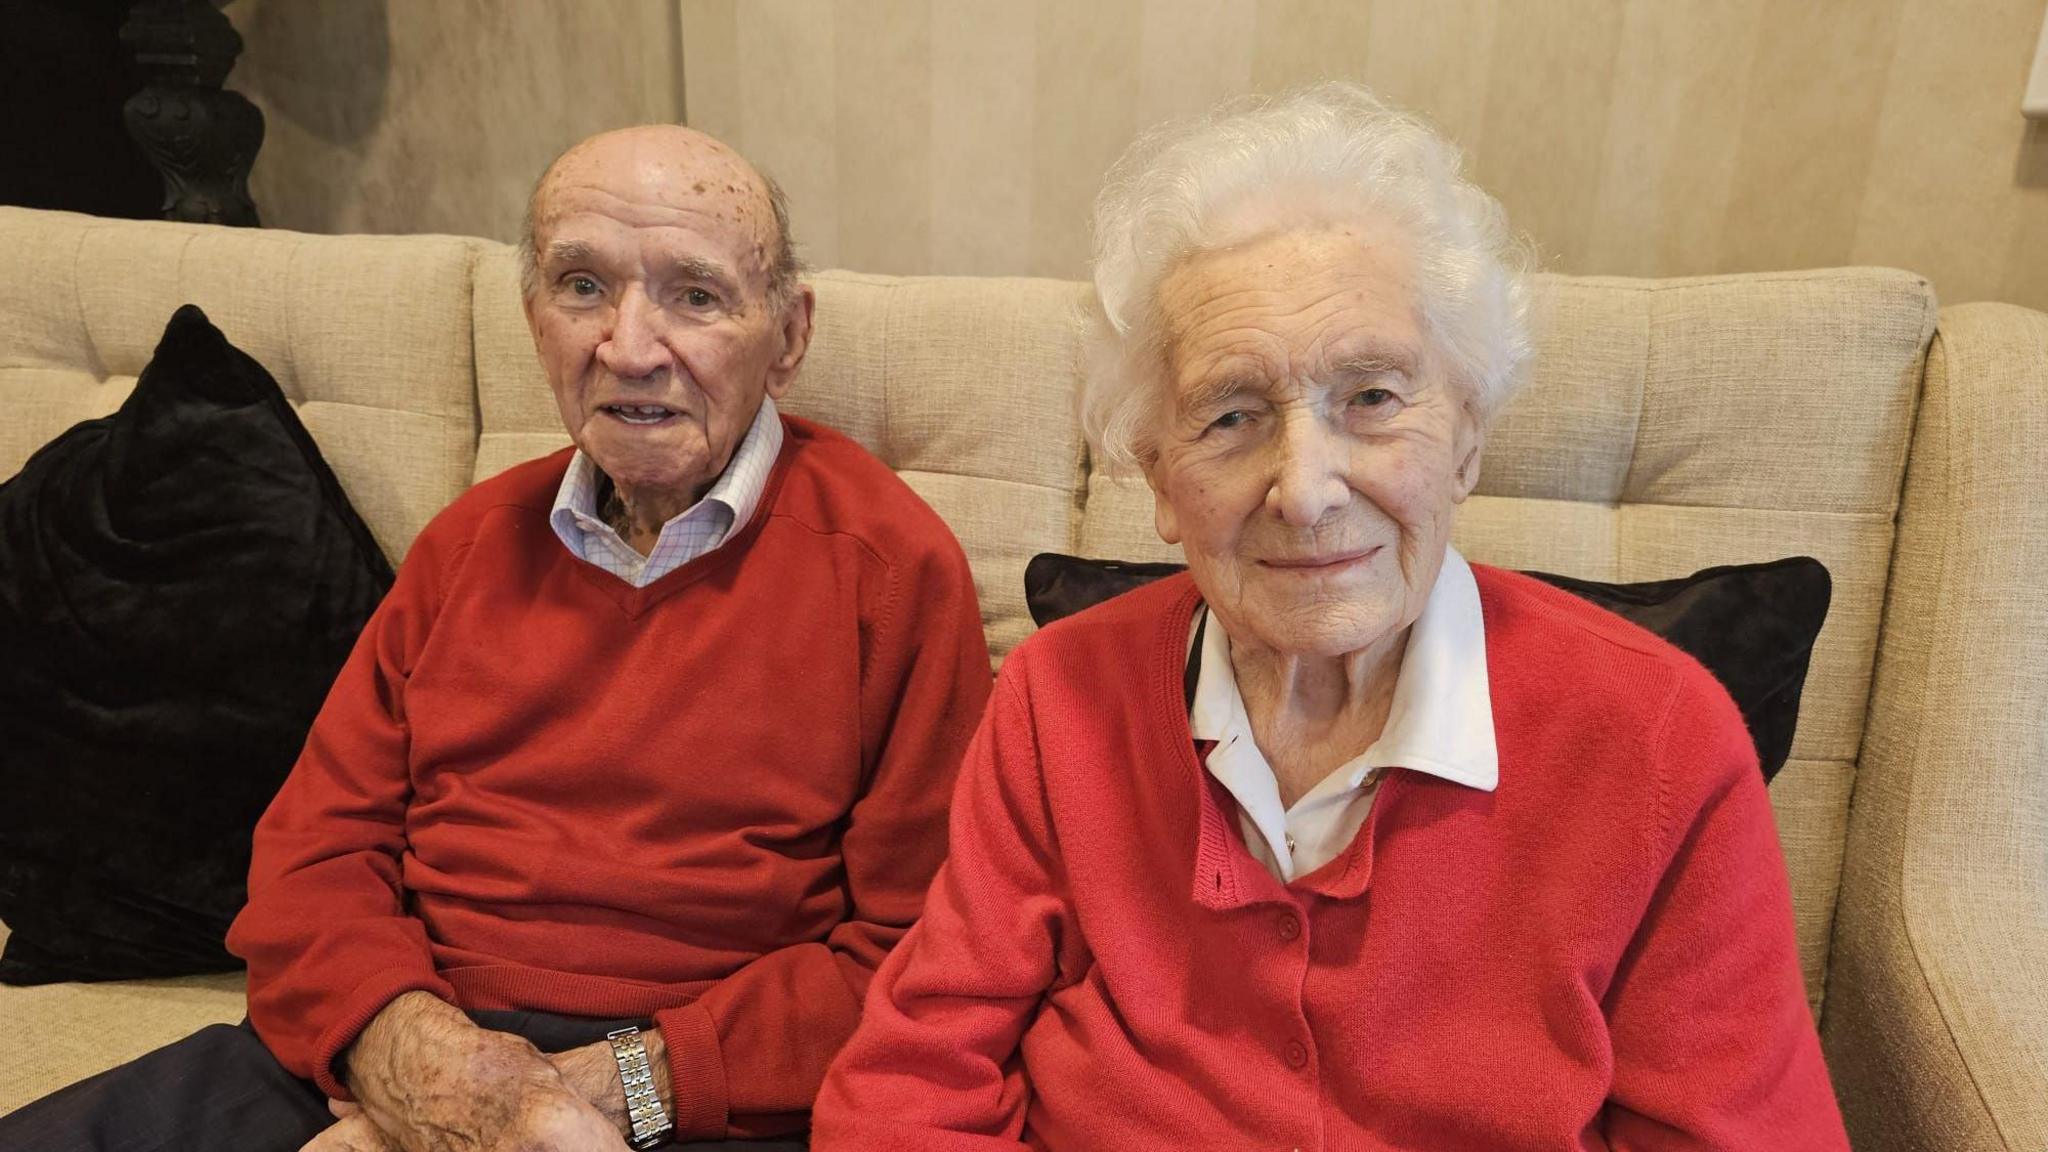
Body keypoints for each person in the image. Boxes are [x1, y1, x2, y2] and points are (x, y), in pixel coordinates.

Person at [811, 84, 1851, 1150]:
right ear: (1160, 480)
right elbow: (911, 1081)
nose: (1303, 490)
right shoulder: (1056, 697)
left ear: (1465, 439)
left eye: (1370, 399)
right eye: (1230, 415)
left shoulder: (1659, 740)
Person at [0, 124, 991, 1152]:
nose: (630, 345)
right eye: (582, 286)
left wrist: (594, 1099)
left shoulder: (890, 570)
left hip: (694, 1091)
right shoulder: (467, 545)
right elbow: (315, 853)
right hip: (396, 1031)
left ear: (787, 336)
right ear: (534, 318)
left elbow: (916, 947)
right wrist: (425, 1067)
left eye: (694, 295)